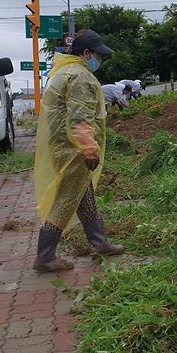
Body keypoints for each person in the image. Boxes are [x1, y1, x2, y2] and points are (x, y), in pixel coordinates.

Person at [33, 29, 125, 272]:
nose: (100, 60)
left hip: (63, 146)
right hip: (73, 149)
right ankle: (45, 256)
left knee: (84, 196)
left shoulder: (64, 72)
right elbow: (80, 116)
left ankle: (100, 242)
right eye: (98, 56)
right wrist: (88, 148)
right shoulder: (80, 77)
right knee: (66, 199)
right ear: (86, 53)